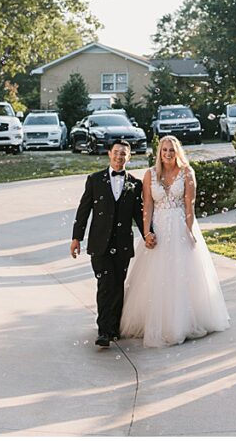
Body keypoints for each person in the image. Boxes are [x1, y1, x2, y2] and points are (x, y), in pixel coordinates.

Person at [120, 136, 230, 347]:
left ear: (177, 152)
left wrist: (188, 231)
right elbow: (148, 206)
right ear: (159, 153)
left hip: (179, 227)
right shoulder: (150, 175)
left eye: (171, 150)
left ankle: (182, 323)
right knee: (156, 276)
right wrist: (146, 233)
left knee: (181, 275)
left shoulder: (187, 173)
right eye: (164, 150)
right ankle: (155, 322)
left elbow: (190, 205)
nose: (168, 154)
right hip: (159, 227)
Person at [70, 140, 152, 348]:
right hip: (99, 244)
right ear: (109, 154)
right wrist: (76, 238)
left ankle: (113, 328)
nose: (119, 157)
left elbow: (139, 214)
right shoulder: (95, 180)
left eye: (123, 154)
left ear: (129, 157)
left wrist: (147, 235)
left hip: (122, 245)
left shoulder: (135, 184)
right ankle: (104, 330)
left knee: (117, 285)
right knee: (105, 285)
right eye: (116, 153)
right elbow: (84, 210)